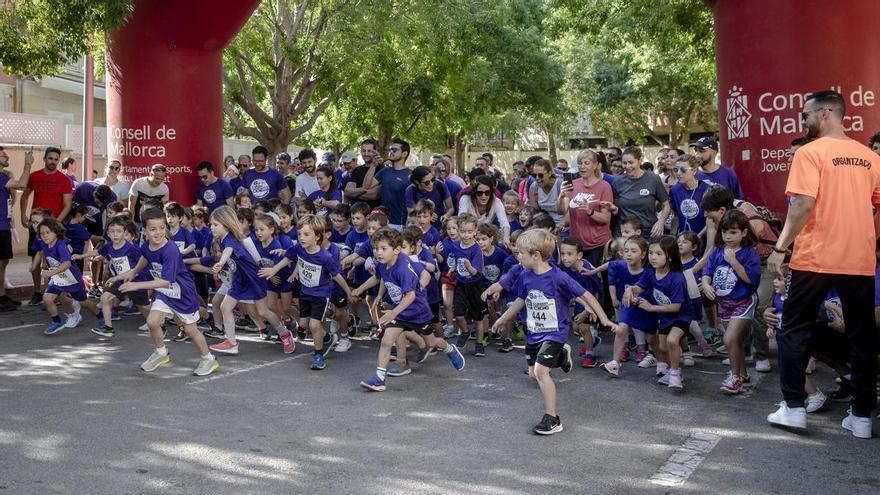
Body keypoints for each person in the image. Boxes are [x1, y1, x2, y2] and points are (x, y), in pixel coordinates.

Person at [766, 90, 879, 439]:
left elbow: (801, 205)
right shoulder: (868, 157)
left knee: (794, 329)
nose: (803, 121)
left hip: (815, 257)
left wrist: (780, 248)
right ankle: (861, 417)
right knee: (863, 337)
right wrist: (867, 241)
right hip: (858, 259)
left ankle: (794, 408)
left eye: (805, 115)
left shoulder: (811, 152)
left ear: (826, 113)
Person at [491, 229, 615, 435]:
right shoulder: (525, 275)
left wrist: (604, 319)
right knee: (534, 374)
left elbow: (586, 295)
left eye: (521, 253)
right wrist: (502, 319)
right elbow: (521, 301)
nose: (517, 256)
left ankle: (552, 418)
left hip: (555, 333)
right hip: (533, 333)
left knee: (540, 371)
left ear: (536, 255)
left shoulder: (559, 277)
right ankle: (561, 356)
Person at [109, 207, 219, 377]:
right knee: (152, 321)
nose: (158, 233)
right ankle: (161, 353)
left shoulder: (170, 250)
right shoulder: (147, 245)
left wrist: (136, 285)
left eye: (162, 228)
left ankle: (208, 358)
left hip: (182, 293)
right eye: (153, 229)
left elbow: (166, 280)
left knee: (190, 330)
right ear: (144, 231)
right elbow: (145, 256)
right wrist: (132, 272)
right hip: (165, 292)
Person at [356, 227, 466, 391]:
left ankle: (450, 349)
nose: (378, 253)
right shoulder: (383, 264)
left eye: (383, 249)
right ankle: (379, 378)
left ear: (397, 250)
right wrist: (360, 289)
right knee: (387, 340)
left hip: (417, 312)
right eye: (376, 248)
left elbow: (410, 296)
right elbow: (377, 277)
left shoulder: (402, 268)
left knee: (432, 342)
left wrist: (393, 312)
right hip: (400, 312)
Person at [624, 236, 689, 389]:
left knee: (672, 341)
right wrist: (629, 290)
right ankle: (674, 371)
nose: (653, 257)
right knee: (663, 347)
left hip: (681, 316)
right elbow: (639, 287)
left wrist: (651, 308)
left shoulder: (677, 278)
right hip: (665, 316)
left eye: (659, 254)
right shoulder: (650, 273)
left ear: (670, 257)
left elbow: (676, 307)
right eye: (651, 253)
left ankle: (674, 374)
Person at [20, 146, 74, 305]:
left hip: (54, 227)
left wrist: (56, 223)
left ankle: (53, 291)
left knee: (52, 260)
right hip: (36, 226)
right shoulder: (34, 176)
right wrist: (24, 215)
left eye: (56, 159)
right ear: (44, 158)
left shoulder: (65, 180)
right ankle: (37, 292)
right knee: (35, 259)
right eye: (50, 158)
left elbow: (67, 205)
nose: (53, 162)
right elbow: (24, 196)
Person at [34, 217, 102, 335]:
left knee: (83, 302)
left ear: (55, 231)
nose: (44, 236)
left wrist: (50, 273)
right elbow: (43, 255)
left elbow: (67, 263)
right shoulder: (45, 245)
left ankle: (100, 316)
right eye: (42, 233)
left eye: (47, 232)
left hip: (72, 278)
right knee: (47, 298)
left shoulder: (61, 246)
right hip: (58, 278)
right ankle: (56, 321)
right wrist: (42, 266)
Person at [557, 149, 614, 267]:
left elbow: (606, 219)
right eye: (580, 163)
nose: (582, 166)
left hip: (597, 245)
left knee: (594, 281)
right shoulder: (573, 184)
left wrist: (590, 211)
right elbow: (562, 210)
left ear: (595, 165)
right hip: (577, 245)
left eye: (586, 163)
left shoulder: (604, 186)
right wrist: (561, 196)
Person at [609, 146, 670, 238]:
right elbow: (617, 207)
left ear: (640, 160)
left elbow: (666, 204)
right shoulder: (618, 181)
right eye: (624, 163)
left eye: (631, 162)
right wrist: (614, 209)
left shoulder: (653, 179)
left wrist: (661, 222)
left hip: (647, 231)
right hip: (624, 233)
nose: (627, 166)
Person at [0, 146, 33, 310]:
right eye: (3, 155)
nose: (7, 157)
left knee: (3, 261)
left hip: (4, 225)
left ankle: (2, 296)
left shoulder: (3, 176)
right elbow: (21, 184)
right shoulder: (0, 177)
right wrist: (27, 164)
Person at [368, 138, 412, 230]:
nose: (391, 152)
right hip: (382, 222)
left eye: (394, 150)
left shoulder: (410, 175)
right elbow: (367, 186)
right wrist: (373, 165)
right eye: (390, 149)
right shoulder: (384, 171)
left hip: (400, 224)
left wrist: (408, 225)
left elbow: (414, 202)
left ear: (404, 154)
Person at [457, 176, 511, 245]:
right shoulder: (466, 199)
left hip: (485, 236)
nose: (483, 196)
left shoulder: (496, 202)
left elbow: (504, 223)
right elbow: (461, 219)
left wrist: (506, 237)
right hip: (468, 235)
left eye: (487, 192)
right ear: (474, 192)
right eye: (480, 193)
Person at [668, 154, 711, 235]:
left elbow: (711, 221)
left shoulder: (707, 189)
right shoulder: (675, 190)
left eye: (683, 170)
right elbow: (676, 216)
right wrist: (672, 235)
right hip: (683, 240)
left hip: (702, 238)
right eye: (676, 169)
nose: (678, 173)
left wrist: (698, 237)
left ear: (694, 171)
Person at [344, 139, 382, 208]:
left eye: (369, 151)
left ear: (375, 152)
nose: (366, 154)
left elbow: (374, 195)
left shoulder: (382, 169)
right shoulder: (357, 170)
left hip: (375, 215)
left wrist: (355, 192)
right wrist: (365, 190)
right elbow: (347, 192)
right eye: (364, 151)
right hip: (357, 214)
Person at [528, 159, 563, 223]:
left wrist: (561, 225)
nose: (537, 178)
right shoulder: (534, 187)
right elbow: (535, 211)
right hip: (544, 224)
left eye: (540, 175)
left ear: (549, 173)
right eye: (534, 175)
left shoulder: (560, 185)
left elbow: (569, 212)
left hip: (562, 225)